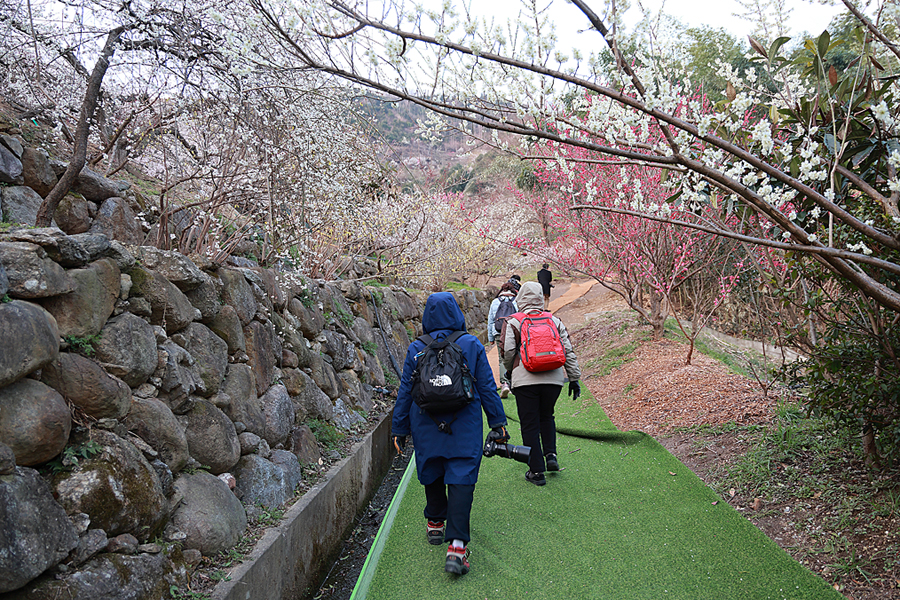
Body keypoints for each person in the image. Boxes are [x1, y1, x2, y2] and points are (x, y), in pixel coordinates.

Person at [391, 292, 509, 575]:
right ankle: (456, 546)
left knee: (431, 468)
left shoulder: (416, 347)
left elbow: (406, 392)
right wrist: (497, 422)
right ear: (457, 313)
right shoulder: (470, 344)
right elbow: (486, 388)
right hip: (464, 424)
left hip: (426, 423)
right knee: (461, 475)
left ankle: (434, 523)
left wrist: (399, 428)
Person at [502, 281, 581, 486]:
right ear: (539, 297)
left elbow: (508, 352)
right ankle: (551, 455)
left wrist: (510, 371)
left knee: (529, 424)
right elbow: (568, 350)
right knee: (547, 416)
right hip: (553, 379)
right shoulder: (554, 320)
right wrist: (573, 378)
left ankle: (536, 471)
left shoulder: (513, 321)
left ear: (521, 298)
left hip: (525, 380)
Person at [487, 282, 518, 398]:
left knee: (501, 358)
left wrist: (490, 338)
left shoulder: (495, 302)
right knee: (514, 356)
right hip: (512, 332)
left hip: (498, 332)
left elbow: (490, 321)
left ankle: (504, 383)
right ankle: (513, 383)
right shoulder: (516, 300)